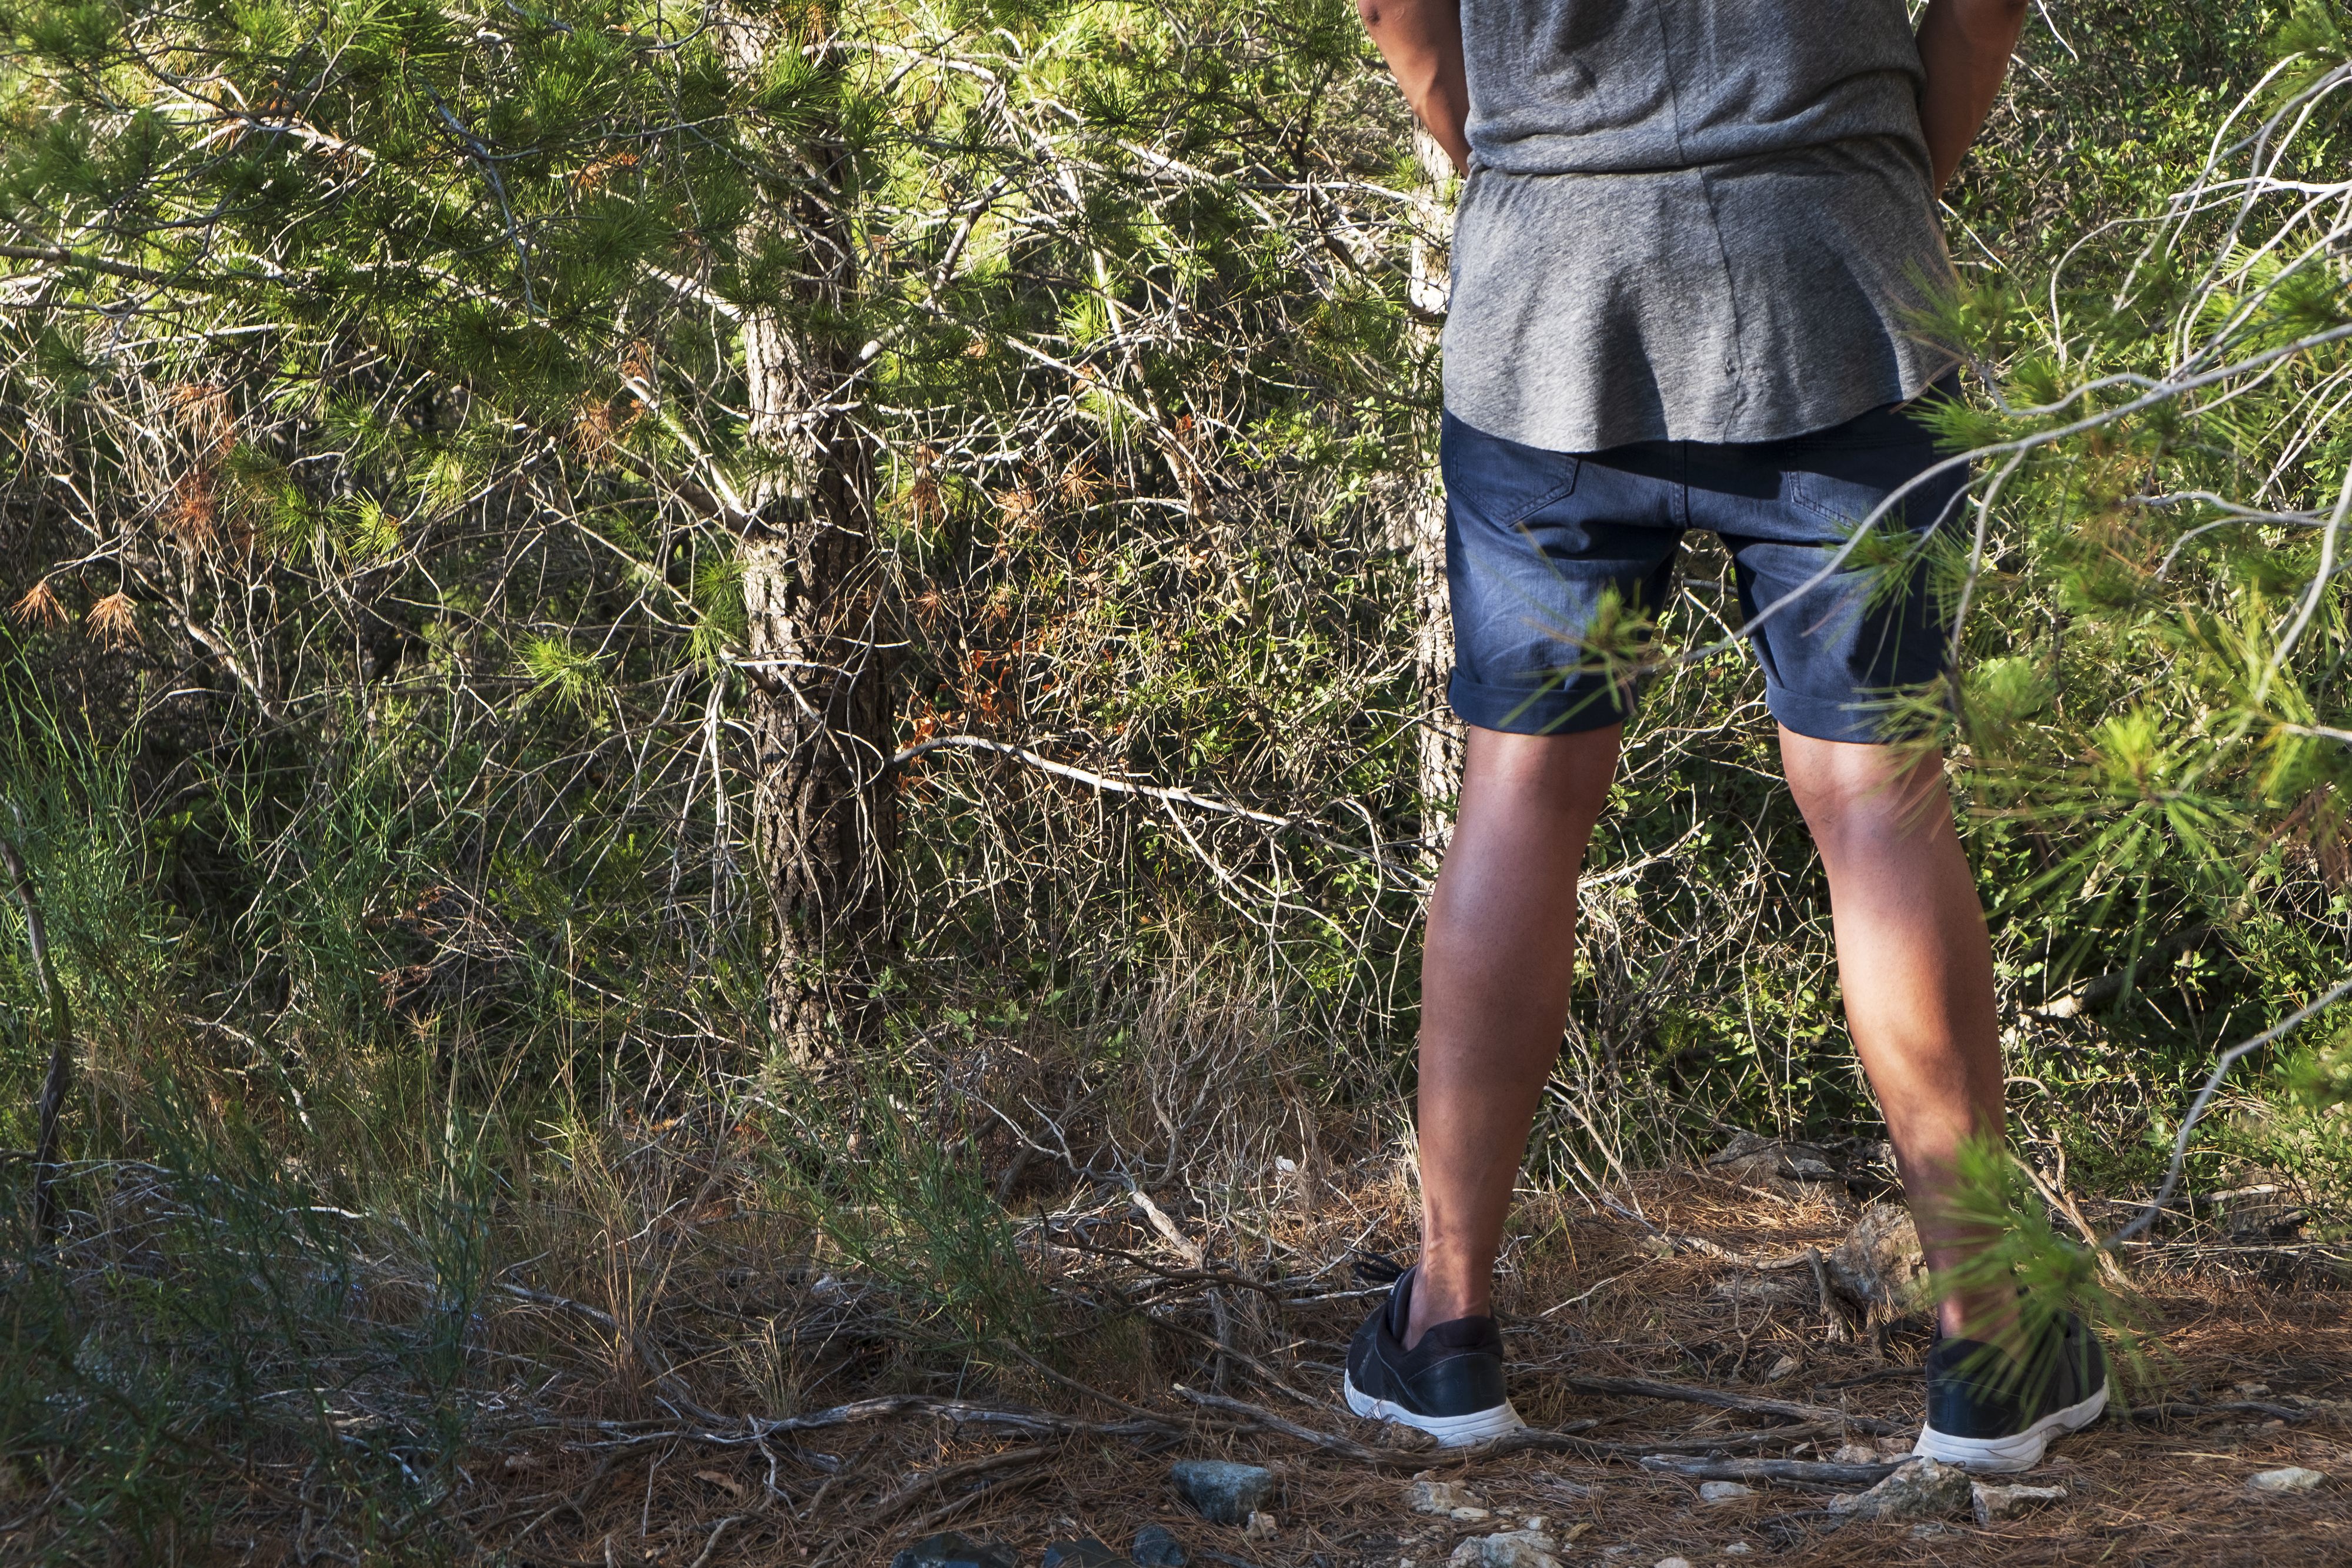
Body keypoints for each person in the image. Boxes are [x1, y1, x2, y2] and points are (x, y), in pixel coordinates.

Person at [1344, 0, 2108, 1472]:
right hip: (1842, 280)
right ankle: (1987, 1339)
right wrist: (1866, 167)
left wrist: (1531, 154)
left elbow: (1397, 10)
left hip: (1546, 301)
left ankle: (1443, 1327)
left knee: (1519, 791)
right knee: (1877, 803)